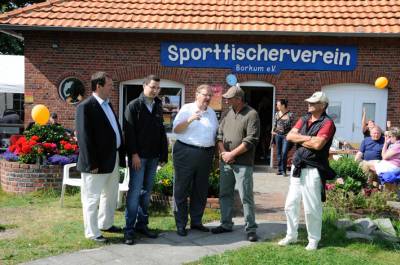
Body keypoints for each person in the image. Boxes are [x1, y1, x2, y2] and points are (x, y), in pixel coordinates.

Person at [278, 91, 336, 251]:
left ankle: (313, 239)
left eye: (313, 102)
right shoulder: (303, 119)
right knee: (290, 204)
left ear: (323, 105)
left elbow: (319, 145)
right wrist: (310, 138)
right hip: (297, 166)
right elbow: (289, 136)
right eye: (309, 101)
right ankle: (291, 235)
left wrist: (302, 137)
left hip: (313, 168)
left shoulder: (327, 123)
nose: (309, 104)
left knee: (311, 207)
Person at [75, 71, 125, 243]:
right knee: (91, 198)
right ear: (99, 86)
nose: (112, 88)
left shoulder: (108, 104)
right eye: (110, 85)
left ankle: (106, 223)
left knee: (110, 195)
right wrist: (91, 163)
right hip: (95, 162)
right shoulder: (85, 106)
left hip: (112, 159)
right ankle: (92, 232)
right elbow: (84, 137)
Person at [211, 86, 260, 242]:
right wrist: (224, 153)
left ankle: (251, 228)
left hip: (243, 163)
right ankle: (226, 224)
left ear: (238, 98)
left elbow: (251, 140)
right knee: (225, 194)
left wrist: (232, 154)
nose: (226, 100)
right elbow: (219, 135)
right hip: (226, 162)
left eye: (229, 98)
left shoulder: (252, 114)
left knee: (246, 196)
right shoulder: (228, 113)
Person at [124, 74, 168, 245]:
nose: (155, 90)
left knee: (146, 193)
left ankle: (142, 225)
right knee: (134, 193)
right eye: (152, 87)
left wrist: (163, 154)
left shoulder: (157, 105)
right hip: (138, 158)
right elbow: (129, 133)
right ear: (144, 86)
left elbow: (161, 131)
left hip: (153, 157)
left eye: (158, 88)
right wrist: (134, 154)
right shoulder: (134, 106)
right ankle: (129, 230)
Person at [172, 84, 219, 236]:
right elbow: (176, 129)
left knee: (200, 190)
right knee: (181, 188)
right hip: (186, 152)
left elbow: (215, 135)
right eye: (205, 94)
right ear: (197, 94)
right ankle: (180, 224)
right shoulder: (187, 108)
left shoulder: (211, 113)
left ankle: (196, 222)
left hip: (206, 154)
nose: (208, 98)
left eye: (210, 95)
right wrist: (190, 119)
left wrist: (216, 156)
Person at [271, 99, 295, 176]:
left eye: (278, 105)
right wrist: (272, 131)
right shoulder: (277, 114)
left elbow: (291, 126)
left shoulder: (290, 115)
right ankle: (280, 169)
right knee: (278, 153)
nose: (277, 106)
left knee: (284, 152)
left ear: (283, 106)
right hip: (278, 135)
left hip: (286, 136)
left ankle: (284, 170)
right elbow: (274, 124)